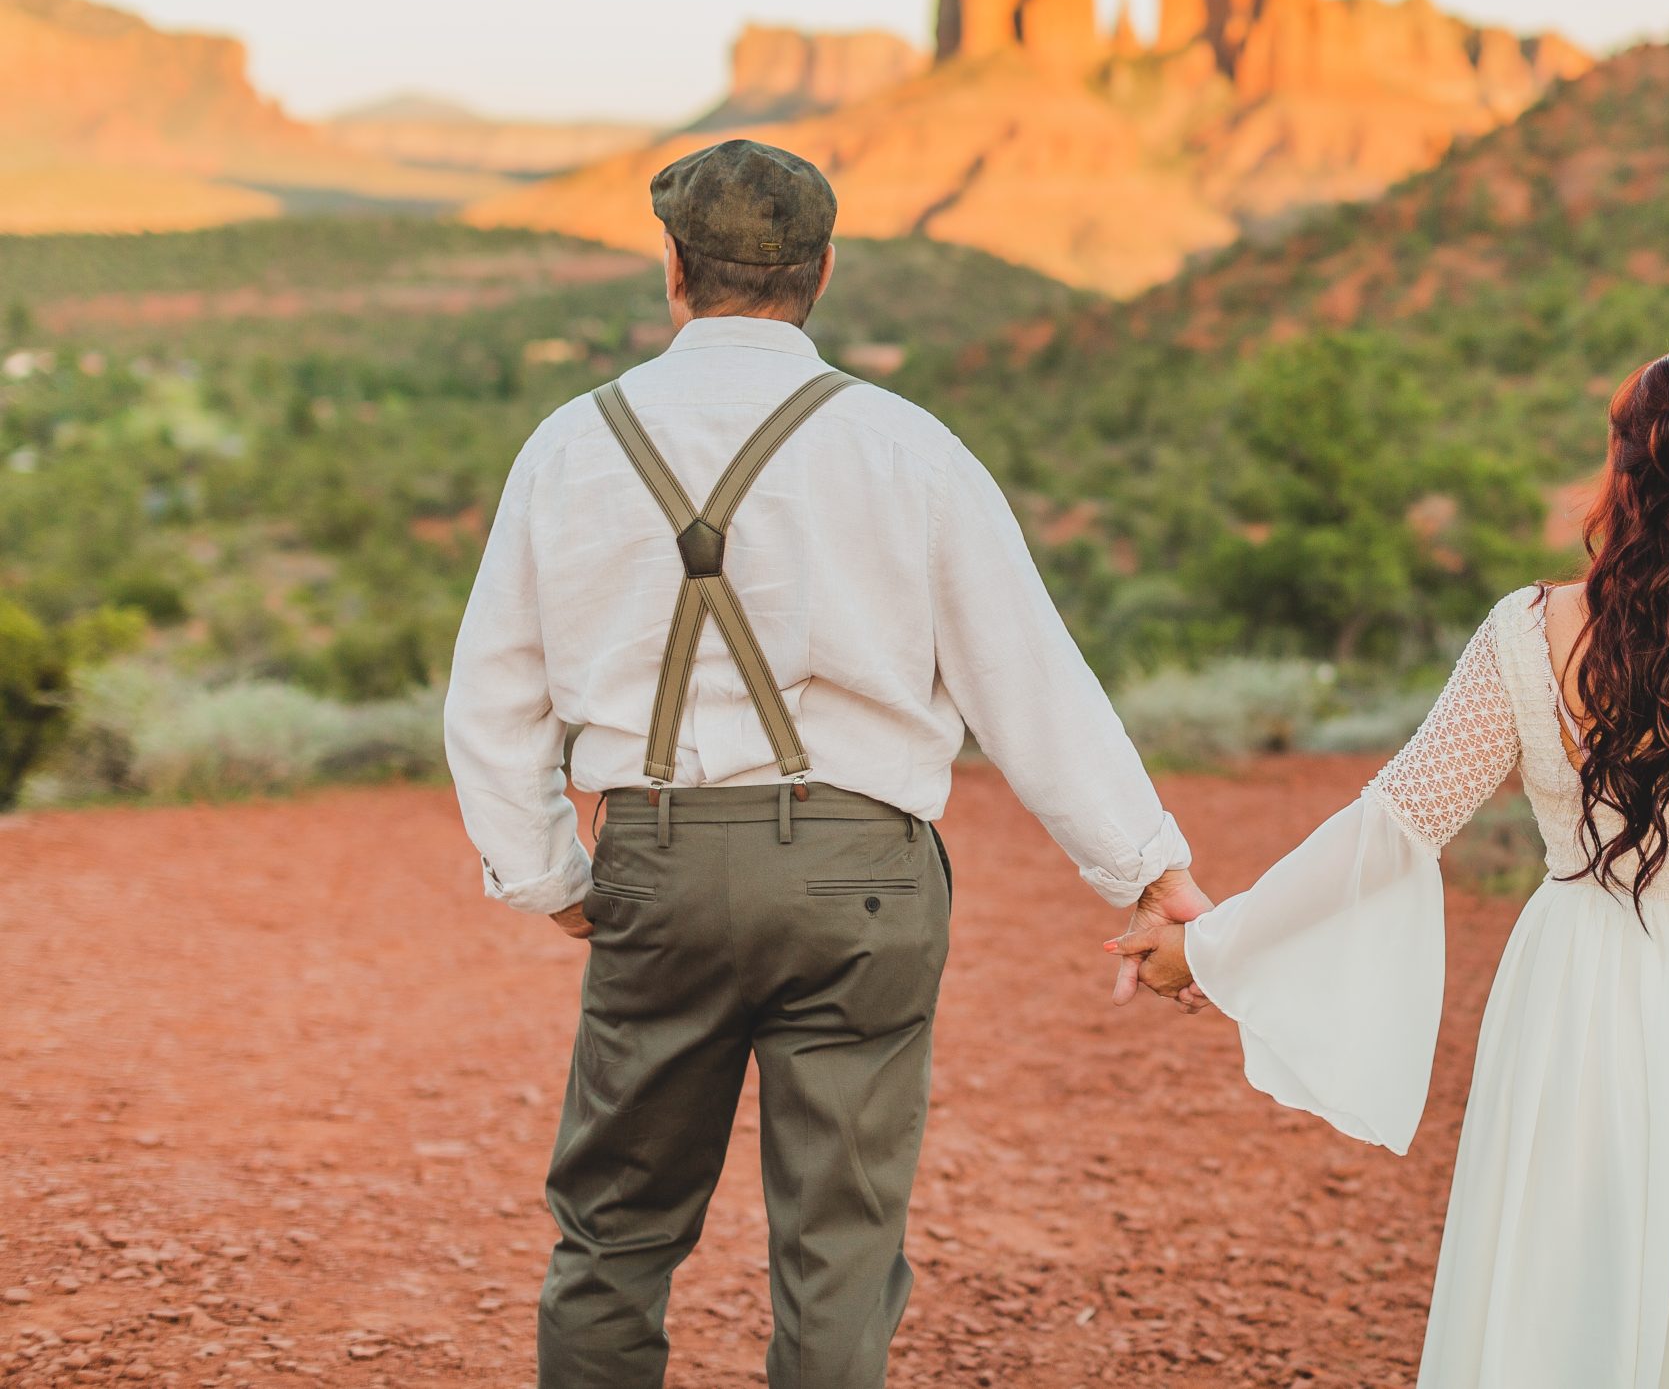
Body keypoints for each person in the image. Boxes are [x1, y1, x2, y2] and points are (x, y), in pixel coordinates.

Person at [1110, 343, 1669, 1388]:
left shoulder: (1528, 632)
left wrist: (1213, 944)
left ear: (1628, 469)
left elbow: (1394, 826)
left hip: (1582, 1012)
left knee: (1566, 1314)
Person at [444, 138, 1205, 1389]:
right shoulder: (911, 447)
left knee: (614, 1237)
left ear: (674, 270)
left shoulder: (569, 445)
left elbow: (492, 694)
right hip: (866, 877)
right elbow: (1028, 679)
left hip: (659, 860)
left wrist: (554, 877)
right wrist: (1143, 868)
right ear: (822, 271)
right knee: (840, 1250)